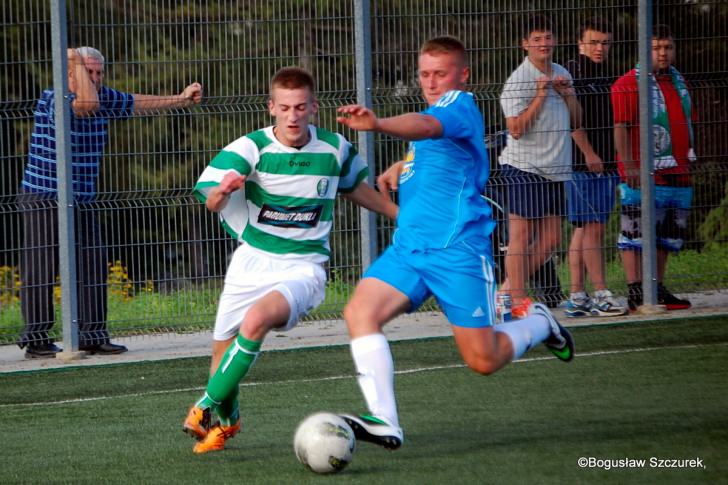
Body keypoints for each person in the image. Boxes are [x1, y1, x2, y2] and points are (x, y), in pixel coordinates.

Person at [334, 36, 574, 450]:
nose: (431, 82)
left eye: (440, 74)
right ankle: (386, 422)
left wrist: (377, 124)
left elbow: (426, 125)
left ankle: (539, 324)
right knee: (359, 312)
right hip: (410, 249)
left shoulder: (458, 104)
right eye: (425, 74)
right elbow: (434, 149)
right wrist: (401, 166)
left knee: (483, 360)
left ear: (462, 75)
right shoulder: (436, 114)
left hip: (457, 251)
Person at [182, 66, 398, 454]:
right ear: (271, 108)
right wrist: (225, 191)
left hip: (304, 267)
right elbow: (211, 201)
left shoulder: (334, 149)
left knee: (257, 319)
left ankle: (203, 406)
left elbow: (357, 190)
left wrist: (403, 218)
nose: (293, 116)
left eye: (300, 107)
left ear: (313, 107)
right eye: (285, 107)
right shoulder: (249, 148)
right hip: (251, 261)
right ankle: (227, 425)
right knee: (221, 358)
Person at [18, 47, 203, 359]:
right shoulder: (55, 98)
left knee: (92, 262)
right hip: (44, 196)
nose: (95, 78)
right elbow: (86, 103)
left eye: (98, 72)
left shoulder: (102, 97)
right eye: (87, 72)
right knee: (41, 266)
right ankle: (36, 339)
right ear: (69, 75)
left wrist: (181, 99)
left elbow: (137, 102)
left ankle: (92, 334)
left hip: (82, 199)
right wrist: (73, 59)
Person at [497, 15, 591, 318]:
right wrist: (539, 96)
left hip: (556, 168)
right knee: (521, 237)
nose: (544, 44)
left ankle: (507, 290)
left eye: (548, 37)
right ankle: (518, 298)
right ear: (525, 44)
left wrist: (567, 94)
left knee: (551, 239)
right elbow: (515, 129)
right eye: (536, 39)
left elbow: (577, 121)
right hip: (524, 167)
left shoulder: (562, 73)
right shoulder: (518, 80)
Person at [611, 24, 695, 311]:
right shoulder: (627, 83)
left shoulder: (678, 81)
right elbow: (620, 127)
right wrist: (629, 166)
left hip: (678, 170)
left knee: (668, 233)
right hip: (642, 173)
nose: (663, 53)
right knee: (634, 233)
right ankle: (636, 289)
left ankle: (657, 287)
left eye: (667, 47)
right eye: (656, 47)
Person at [564, 18, 627, 317]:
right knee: (594, 228)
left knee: (584, 229)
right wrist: (589, 153)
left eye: (605, 43)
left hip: (605, 163)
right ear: (580, 44)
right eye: (593, 42)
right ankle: (601, 293)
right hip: (582, 163)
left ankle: (577, 295)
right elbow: (572, 121)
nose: (599, 48)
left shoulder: (607, 74)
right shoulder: (571, 73)